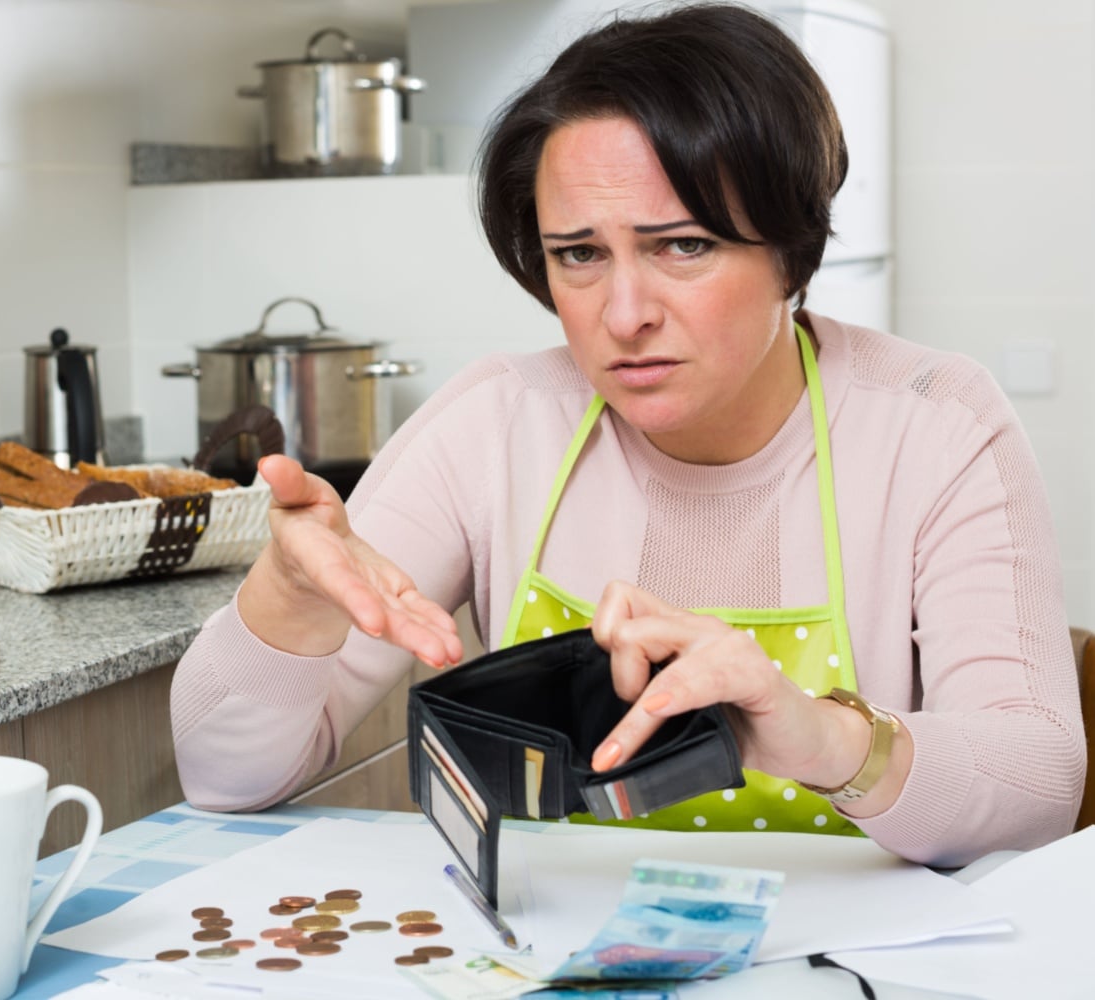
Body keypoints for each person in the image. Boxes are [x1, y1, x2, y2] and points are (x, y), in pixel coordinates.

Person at [169, 1, 1085, 868]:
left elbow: (1039, 783)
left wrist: (816, 731)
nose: (624, 312)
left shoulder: (935, 424)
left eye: (682, 245)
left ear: (792, 251)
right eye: (580, 255)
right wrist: (286, 599)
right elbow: (223, 778)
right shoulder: (494, 426)